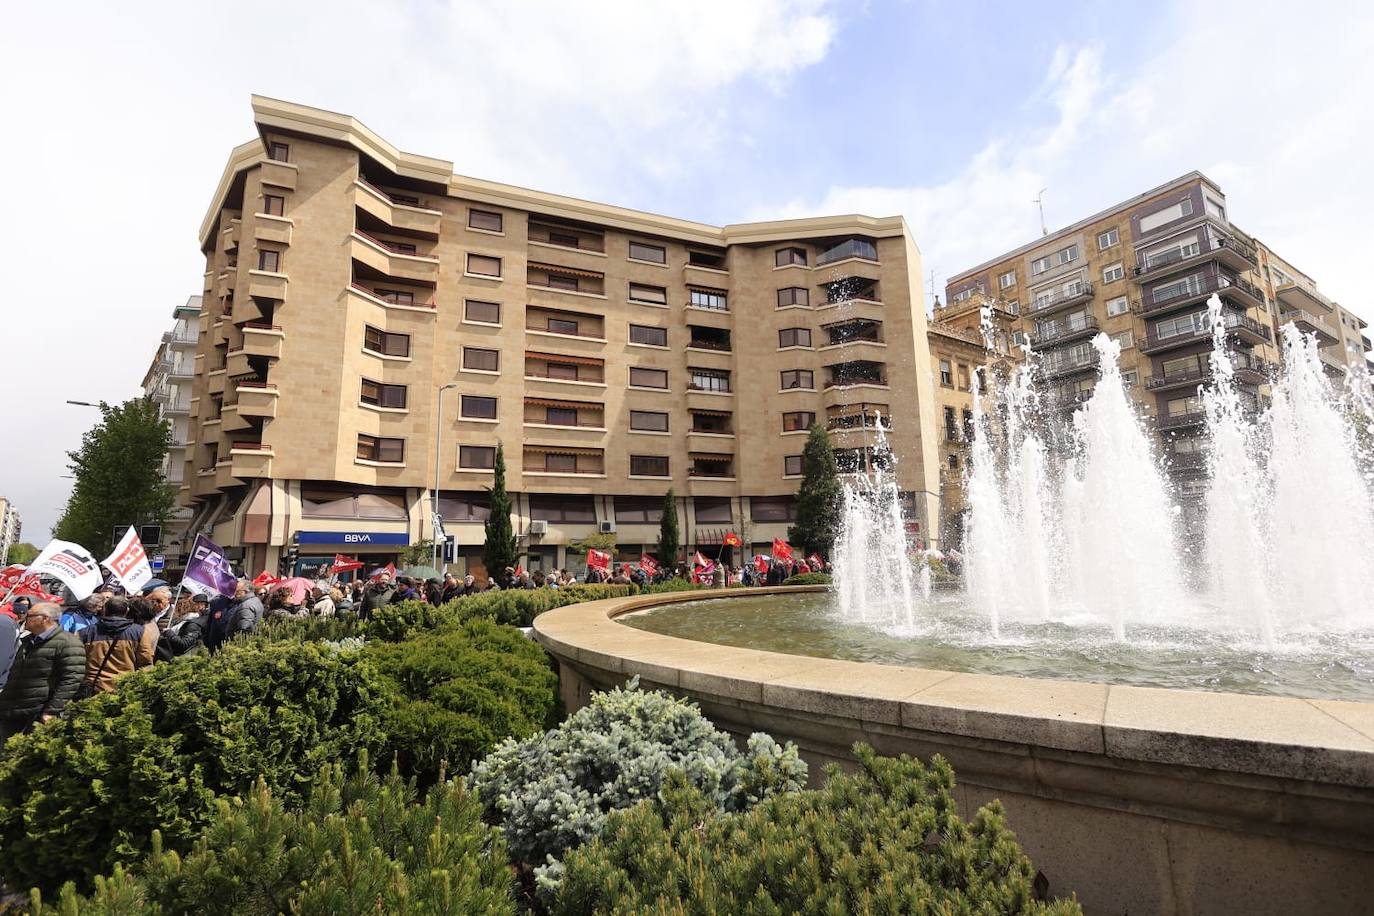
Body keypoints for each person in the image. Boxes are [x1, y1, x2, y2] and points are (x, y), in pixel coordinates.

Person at [0, 603, 85, 741]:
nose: (25, 618)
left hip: (37, 712)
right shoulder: (29, 641)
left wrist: (51, 711)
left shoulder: (68, 643)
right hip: (13, 709)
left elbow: (71, 679)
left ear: (45, 619)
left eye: (30, 616)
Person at [81, 596, 158, 694]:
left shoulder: (85, 633)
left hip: (92, 689)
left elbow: (76, 662)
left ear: (104, 610)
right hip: (123, 688)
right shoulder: (140, 632)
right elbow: (146, 662)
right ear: (127, 611)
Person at [204, 579, 263, 652]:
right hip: (217, 644)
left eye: (237, 591)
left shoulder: (246, 606)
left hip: (233, 648)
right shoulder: (218, 602)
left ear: (245, 592)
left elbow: (244, 631)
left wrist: (236, 649)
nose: (234, 593)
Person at [155, 595, 206, 661]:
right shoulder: (182, 621)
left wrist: (169, 633)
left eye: (178, 609)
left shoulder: (192, 624)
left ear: (184, 610)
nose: (175, 611)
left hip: (184, 660)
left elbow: (184, 644)